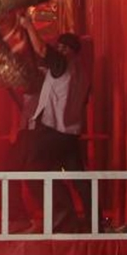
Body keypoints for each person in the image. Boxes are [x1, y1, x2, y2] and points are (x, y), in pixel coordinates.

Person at [28, 30, 93, 231]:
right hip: (71, 132)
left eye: (64, 47)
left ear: (71, 51)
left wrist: (28, 24)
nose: (60, 49)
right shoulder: (82, 73)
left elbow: (41, 49)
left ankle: (64, 216)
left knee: (34, 171)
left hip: (53, 129)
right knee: (80, 180)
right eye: (59, 46)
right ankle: (95, 222)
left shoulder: (62, 64)